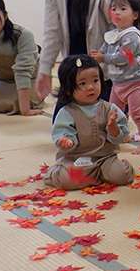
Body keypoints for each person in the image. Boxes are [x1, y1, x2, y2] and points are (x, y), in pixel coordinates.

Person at [36, 0, 118, 115]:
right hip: (73, 72)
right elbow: (52, 34)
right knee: (61, 127)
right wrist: (44, 70)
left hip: (101, 74)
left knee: (103, 128)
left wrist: (107, 58)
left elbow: (118, 29)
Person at [44, 54, 135, 190]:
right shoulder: (67, 112)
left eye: (95, 81)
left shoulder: (109, 108)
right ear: (68, 89)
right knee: (67, 181)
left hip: (105, 158)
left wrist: (114, 128)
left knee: (121, 176)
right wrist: (66, 141)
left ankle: (115, 168)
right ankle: (54, 172)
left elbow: (121, 135)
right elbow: (61, 132)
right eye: (82, 83)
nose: (91, 87)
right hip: (77, 160)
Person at [90, 0, 140, 155]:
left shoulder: (132, 36)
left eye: (122, 9)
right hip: (117, 83)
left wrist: (103, 57)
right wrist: (97, 55)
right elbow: (105, 49)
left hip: (134, 84)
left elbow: (123, 57)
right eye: (113, 9)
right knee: (115, 113)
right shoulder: (113, 34)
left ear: (135, 15)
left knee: (137, 113)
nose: (117, 12)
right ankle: (122, 135)